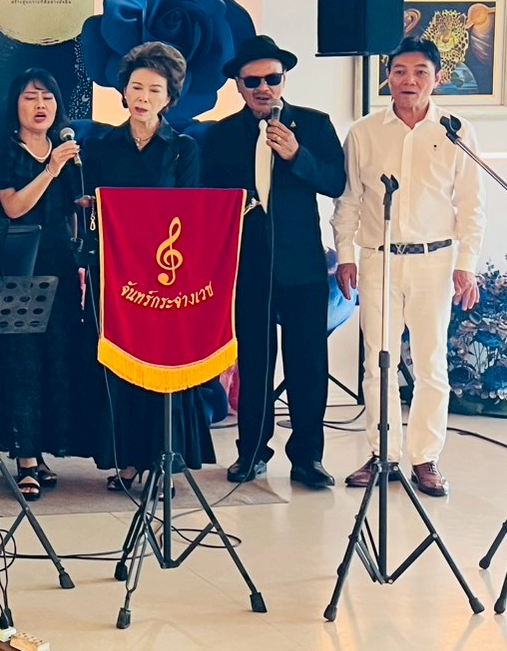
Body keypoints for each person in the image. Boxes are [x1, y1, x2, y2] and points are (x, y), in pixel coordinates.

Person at [332, 37, 483, 497]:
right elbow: (349, 200)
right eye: (399, 71)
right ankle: (383, 454)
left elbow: (471, 205)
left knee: (431, 363)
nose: (409, 80)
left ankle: (424, 457)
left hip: (435, 262)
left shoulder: (456, 130)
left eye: (420, 72)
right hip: (378, 259)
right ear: (388, 77)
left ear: (438, 79)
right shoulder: (364, 132)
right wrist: (345, 255)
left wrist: (466, 263)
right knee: (379, 361)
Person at [200, 35, 346, 489]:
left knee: (308, 364)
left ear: (284, 80)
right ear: (238, 86)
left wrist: (297, 156)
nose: (264, 87)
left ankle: (308, 457)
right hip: (247, 266)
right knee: (255, 363)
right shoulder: (221, 135)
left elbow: (336, 182)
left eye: (273, 78)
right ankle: (251, 452)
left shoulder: (315, 124)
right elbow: (209, 200)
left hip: (303, 265)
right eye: (253, 81)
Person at [84, 42, 212, 490]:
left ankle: (162, 460)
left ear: (169, 98)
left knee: (162, 367)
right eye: (136, 86)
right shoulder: (101, 147)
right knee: (121, 365)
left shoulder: (182, 150)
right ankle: (126, 462)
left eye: (154, 89)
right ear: (123, 91)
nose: (142, 96)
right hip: (115, 274)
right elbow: (92, 210)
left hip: (164, 276)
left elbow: (188, 215)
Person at [0, 68, 94, 500]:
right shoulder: (2, 152)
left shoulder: (65, 150)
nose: (40, 105)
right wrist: (50, 169)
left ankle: (43, 450)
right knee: (21, 359)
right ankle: (24, 458)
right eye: (30, 98)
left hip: (58, 264)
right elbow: (14, 207)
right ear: (15, 106)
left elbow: (68, 214)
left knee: (55, 356)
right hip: (17, 265)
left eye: (47, 97)